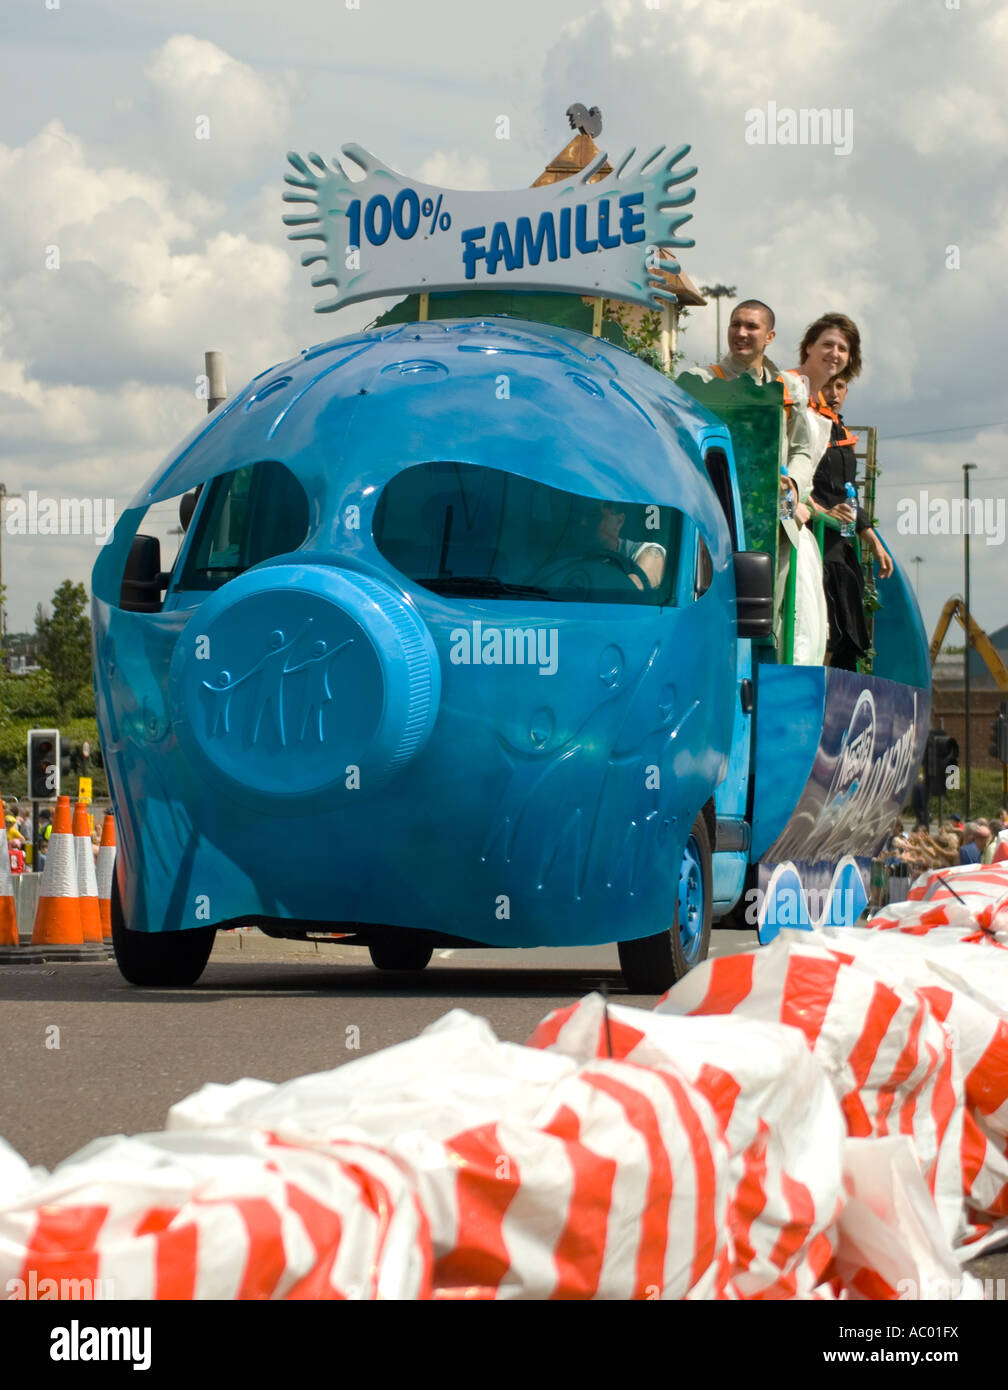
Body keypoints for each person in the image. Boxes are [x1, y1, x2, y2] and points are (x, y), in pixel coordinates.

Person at [809, 374, 893, 669]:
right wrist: (822, 512)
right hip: (812, 535)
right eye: (828, 385)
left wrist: (874, 541)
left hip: (839, 539)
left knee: (851, 613)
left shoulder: (840, 431)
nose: (834, 393)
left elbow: (849, 492)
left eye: (840, 386)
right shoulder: (807, 424)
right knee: (828, 615)